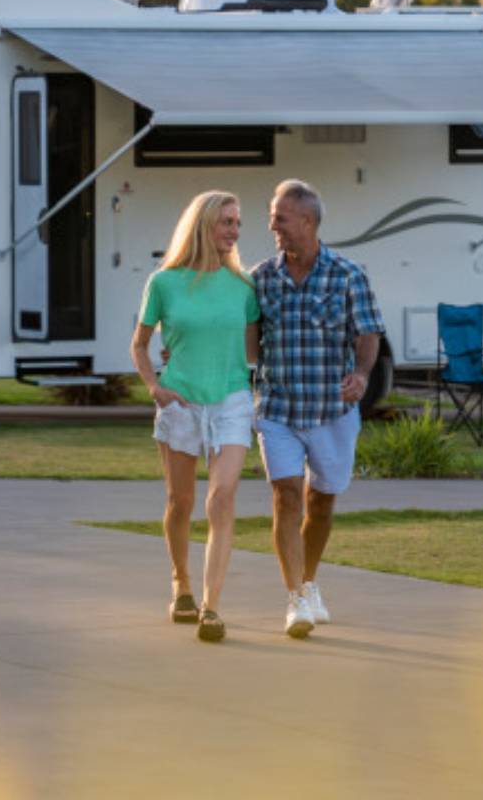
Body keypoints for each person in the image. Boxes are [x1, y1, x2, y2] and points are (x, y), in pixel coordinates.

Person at [251, 179, 383, 638]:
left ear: (306, 222)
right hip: (278, 406)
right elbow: (248, 343)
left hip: (331, 410)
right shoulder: (261, 277)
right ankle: (295, 599)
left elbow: (369, 331)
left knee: (320, 502)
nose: (272, 225)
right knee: (286, 494)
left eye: (279, 218)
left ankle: (308, 583)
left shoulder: (348, 275)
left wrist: (362, 375)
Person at [130, 190, 262, 643]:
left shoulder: (244, 288)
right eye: (227, 222)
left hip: (230, 399)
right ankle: (180, 584)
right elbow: (139, 344)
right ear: (204, 224)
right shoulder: (163, 283)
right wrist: (154, 386)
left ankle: (211, 606)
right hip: (180, 400)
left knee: (221, 498)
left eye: (238, 223)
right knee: (180, 502)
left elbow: (252, 349)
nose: (235, 231)